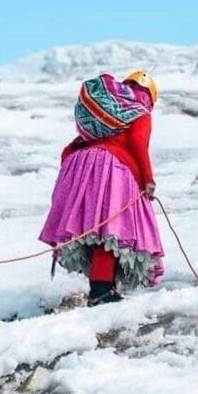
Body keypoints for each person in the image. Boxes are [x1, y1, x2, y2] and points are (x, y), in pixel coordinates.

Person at [39, 70, 164, 306]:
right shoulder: (140, 110)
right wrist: (147, 179)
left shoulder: (110, 111)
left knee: (92, 231)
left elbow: (71, 148)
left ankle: (104, 286)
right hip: (111, 167)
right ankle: (101, 290)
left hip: (79, 166)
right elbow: (137, 142)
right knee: (111, 231)